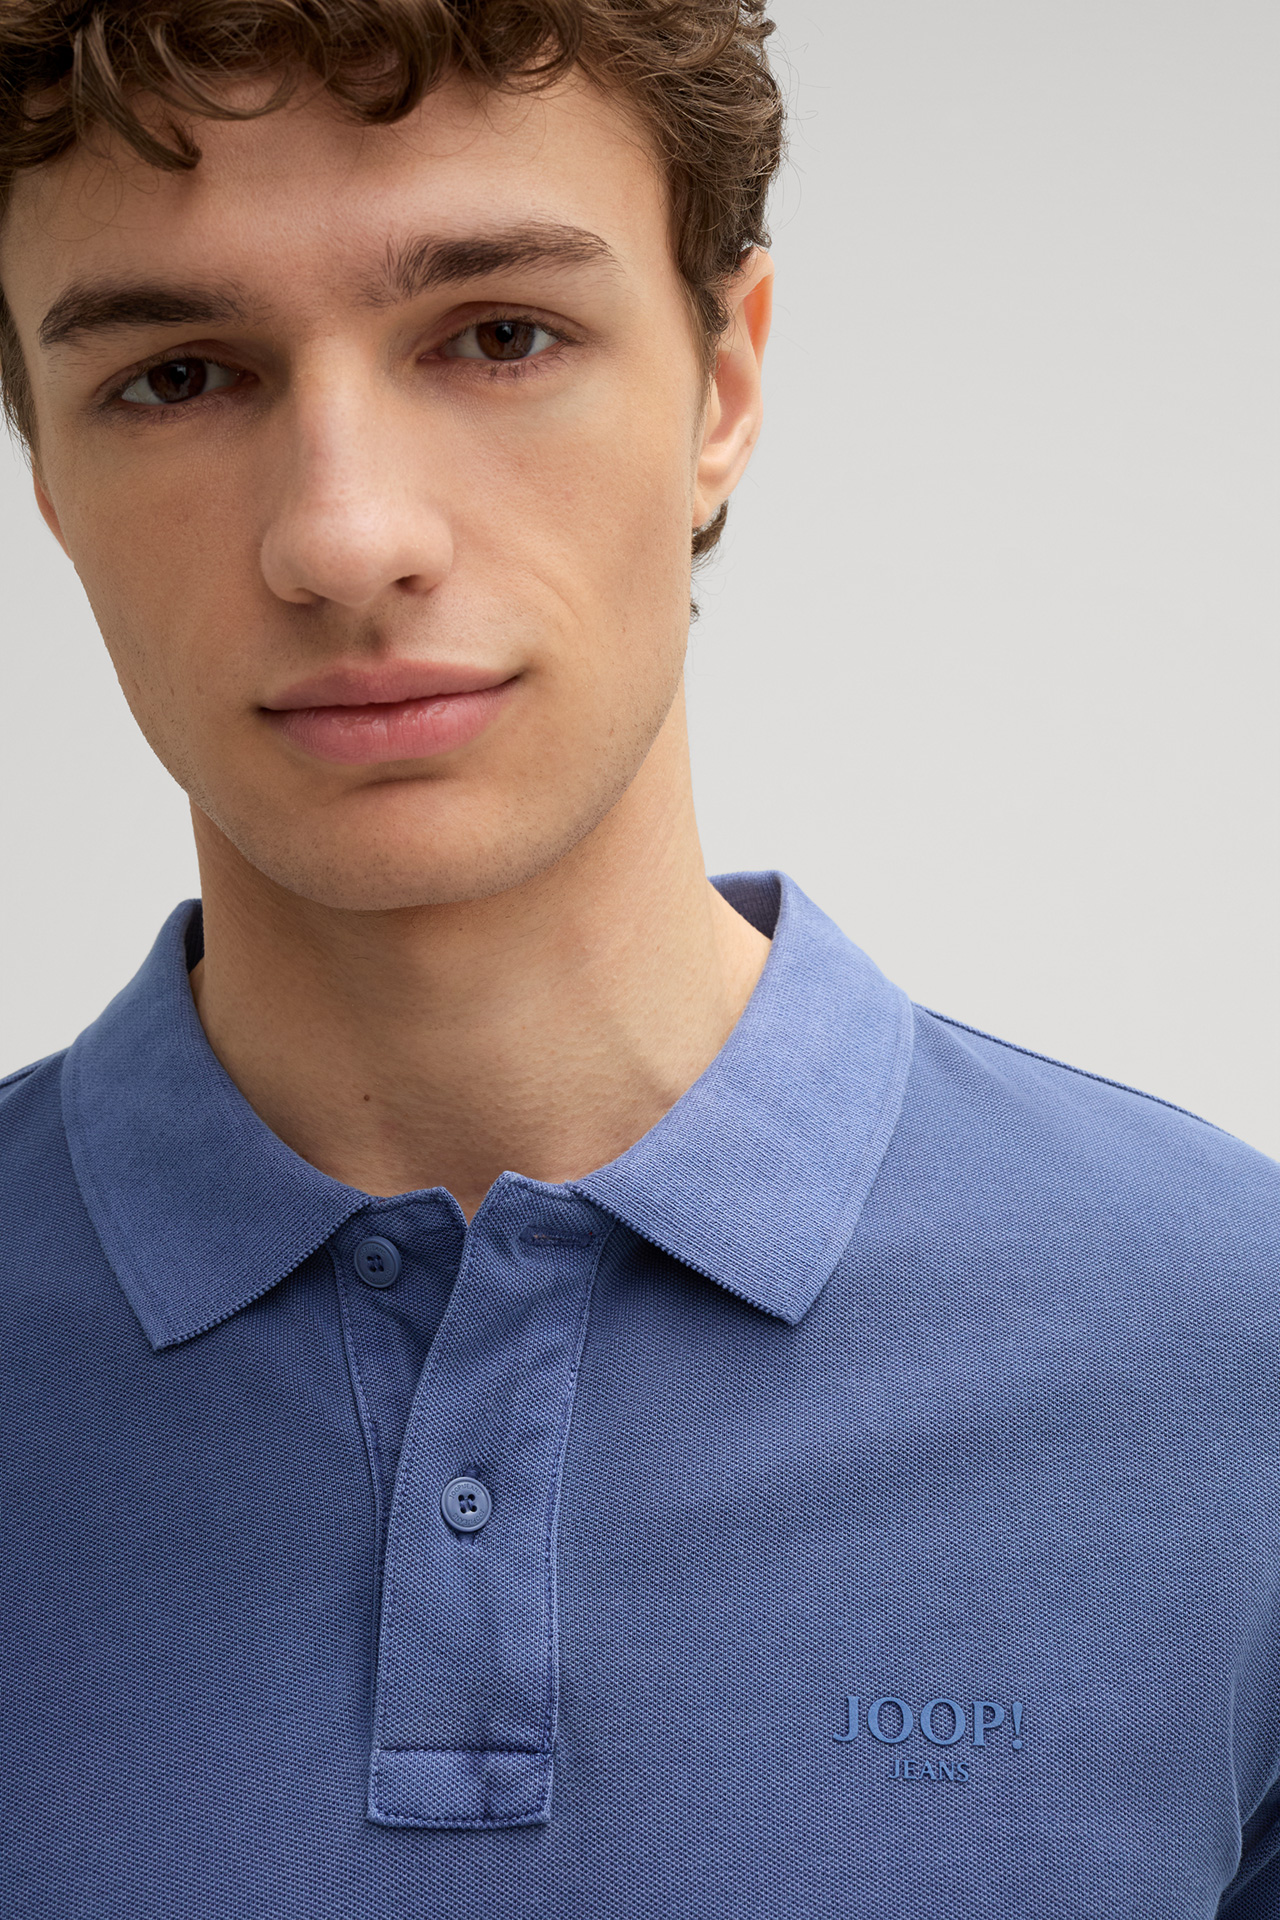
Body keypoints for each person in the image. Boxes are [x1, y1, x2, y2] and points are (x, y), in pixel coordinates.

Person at [0, 2, 1277, 1914]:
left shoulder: (1236, 1358)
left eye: (498, 335)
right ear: (44, 468)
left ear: (725, 381)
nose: (345, 538)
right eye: (178, 376)